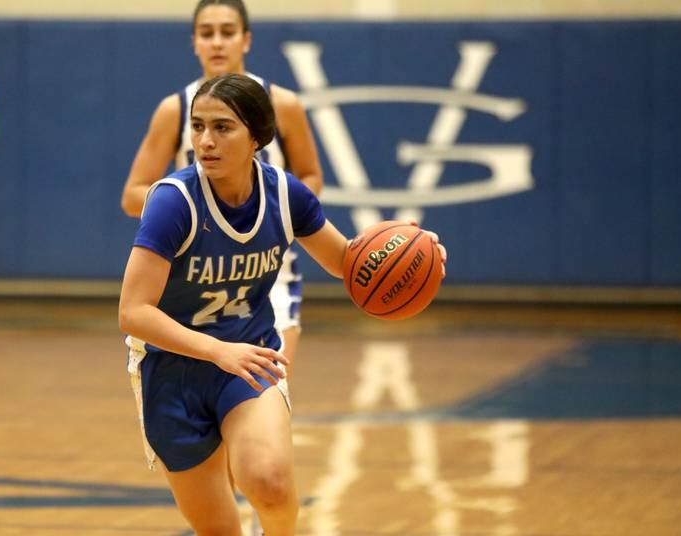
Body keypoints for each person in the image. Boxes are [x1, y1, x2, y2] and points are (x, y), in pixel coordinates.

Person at [118, 74, 447, 536]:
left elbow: (346, 261)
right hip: (172, 371)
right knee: (218, 529)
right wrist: (215, 351)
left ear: (257, 137)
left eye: (223, 128)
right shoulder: (174, 201)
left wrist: (410, 247)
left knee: (269, 482)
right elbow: (132, 312)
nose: (205, 141)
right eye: (197, 127)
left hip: (249, 359)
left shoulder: (285, 193)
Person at [121, 0, 322, 377]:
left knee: (268, 382)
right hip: (198, 269)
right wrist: (184, 206)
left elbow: (311, 177)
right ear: (194, 42)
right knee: (210, 403)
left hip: (267, 268)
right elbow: (132, 194)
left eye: (227, 33)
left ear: (246, 40)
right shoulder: (175, 110)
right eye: (206, 33)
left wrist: (275, 209)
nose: (217, 43)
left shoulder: (284, 104)